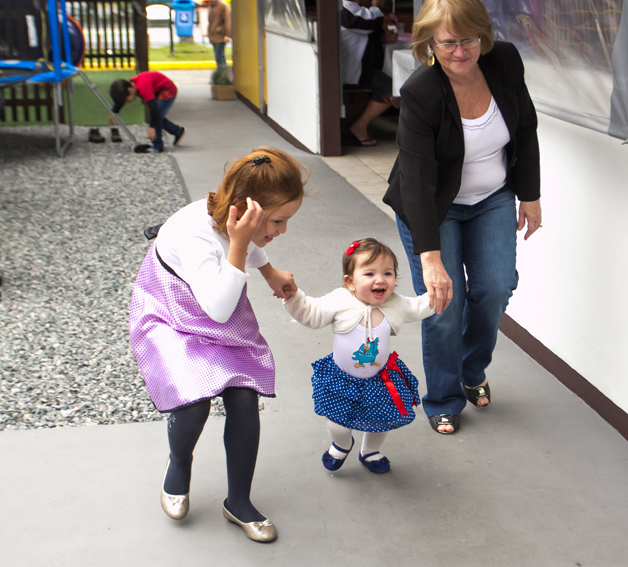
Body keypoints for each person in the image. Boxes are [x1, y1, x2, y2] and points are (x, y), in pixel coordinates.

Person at [128, 147, 307, 542]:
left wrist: (268, 270)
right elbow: (219, 310)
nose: (282, 229)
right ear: (246, 213)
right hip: (169, 313)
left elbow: (238, 246)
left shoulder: (232, 218)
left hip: (211, 303)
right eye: (278, 220)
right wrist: (242, 248)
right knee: (193, 403)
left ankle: (238, 501)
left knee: (243, 397)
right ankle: (179, 464)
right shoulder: (198, 238)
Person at [383, 0, 542, 435]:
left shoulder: (504, 61)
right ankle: (443, 398)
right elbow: (415, 179)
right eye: (448, 43)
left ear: (482, 36)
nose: (459, 51)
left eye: (468, 40)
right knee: (443, 305)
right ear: (430, 43)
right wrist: (431, 258)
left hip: (492, 196)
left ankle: (473, 370)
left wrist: (529, 194)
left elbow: (525, 127)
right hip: (433, 207)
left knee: (495, 287)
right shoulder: (421, 92)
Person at [283, 239, 434, 473]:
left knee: (379, 420)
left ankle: (370, 451)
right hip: (342, 378)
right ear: (350, 282)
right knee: (338, 423)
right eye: (370, 273)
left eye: (388, 273)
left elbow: (418, 307)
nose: (380, 279)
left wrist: (438, 294)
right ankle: (342, 445)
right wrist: (293, 297)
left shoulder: (395, 303)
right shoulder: (340, 300)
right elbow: (311, 314)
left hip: (379, 378)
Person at [341, 0, 399, 146]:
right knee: (390, 88)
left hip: (362, 67)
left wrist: (382, 36)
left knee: (392, 86)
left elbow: (366, 29)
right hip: (354, 70)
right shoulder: (344, 8)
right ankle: (359, 126)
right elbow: (367, 21)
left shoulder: (353, 8)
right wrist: (377, 5)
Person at [108, 71, 185, 153]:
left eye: (127, 99)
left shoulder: (142, 86)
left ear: (129, 90)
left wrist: (152, 127)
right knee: (158, 118)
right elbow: (122, 98)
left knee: (157, 117)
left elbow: (154, 108)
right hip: (158, 91)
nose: (127, 102)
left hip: (167, 90)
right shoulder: (131, 85)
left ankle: (157, 146)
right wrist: (114, 111)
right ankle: (178, 131)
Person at [207, 0, 231, 69]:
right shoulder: (211, 5)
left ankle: (224, 75)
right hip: (213, 34)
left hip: (220, 35)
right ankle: (224, 74)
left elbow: (227, 20)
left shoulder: (222, 5)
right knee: (218, 57)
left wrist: (227, 34)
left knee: (220, 57)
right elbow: (210, 21)